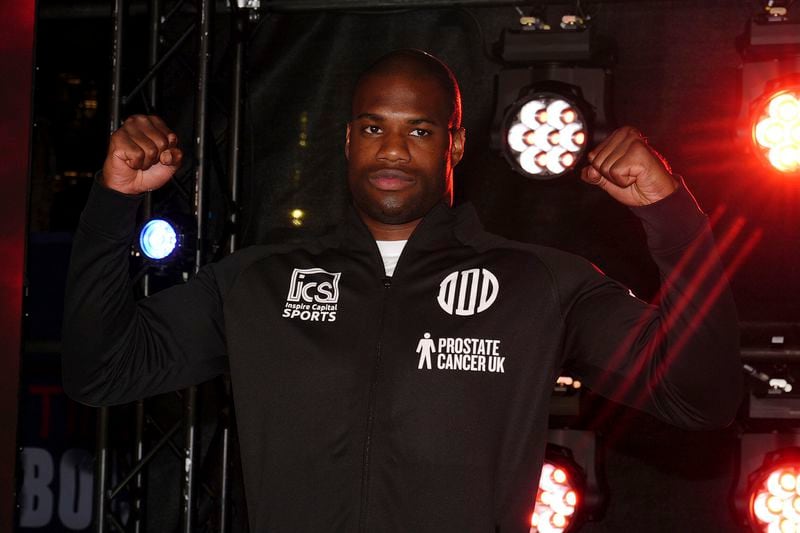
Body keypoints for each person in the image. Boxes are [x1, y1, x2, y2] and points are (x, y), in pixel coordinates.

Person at [63, 49, 741, 532]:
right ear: (347, 139)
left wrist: (673, 217)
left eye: (418, 129)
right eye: (372, 128)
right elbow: (101, 370)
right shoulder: (258, 282)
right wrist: (112, 204)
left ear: (455, 141)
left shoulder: (539, 282)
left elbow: (698, 395)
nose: (392, 150)